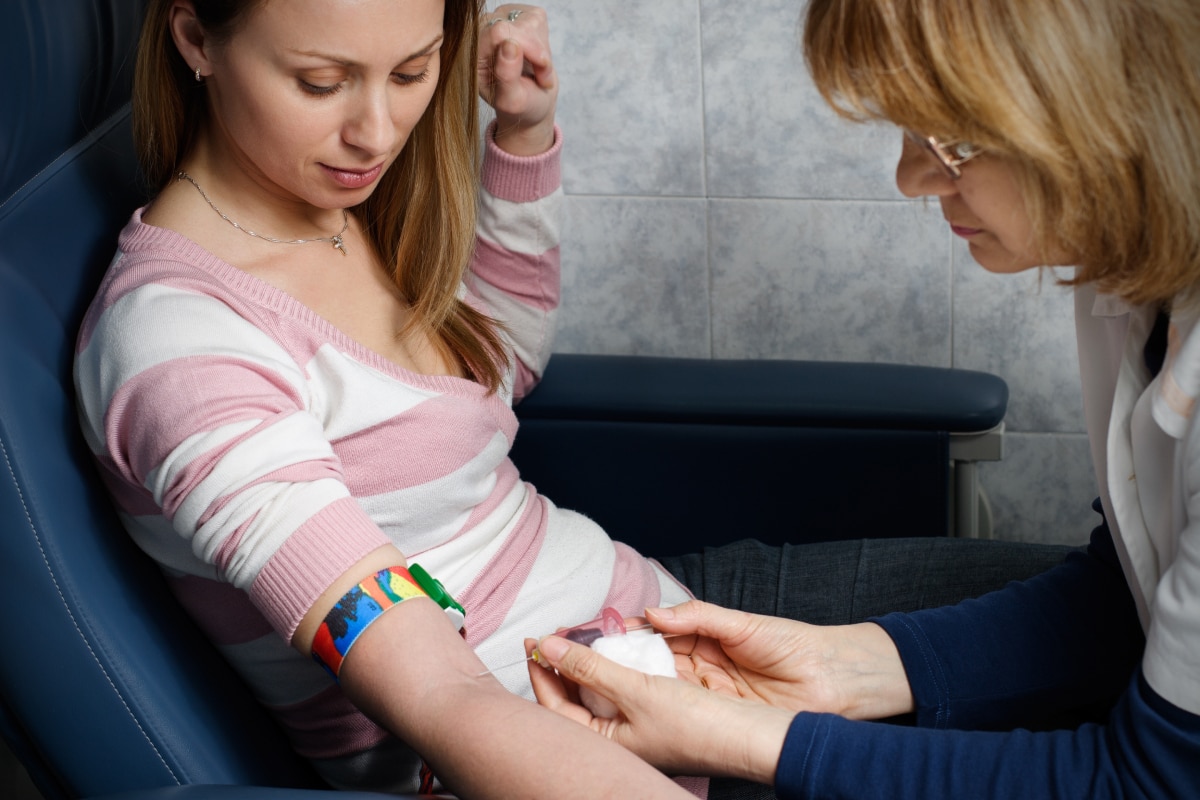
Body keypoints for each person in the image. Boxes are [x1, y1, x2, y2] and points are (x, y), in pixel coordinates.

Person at [72, 0, 1073, 797]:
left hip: (666, 612)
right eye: (321, 81)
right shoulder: (181, 348)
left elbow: (490, 366)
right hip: (570, 741)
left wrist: (523, 131)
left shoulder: (334, 203)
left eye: (414, 71)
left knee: (1110, 637)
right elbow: (445, 693)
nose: (375, 129)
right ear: (197, 38)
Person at [530, 0, 1200, 797]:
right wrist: (843, 669)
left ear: (1106, 108)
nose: (909, 178)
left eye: (951, 141)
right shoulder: (1126, 269)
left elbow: (1157, 782)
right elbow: (1132, 590)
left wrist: (759, 741)